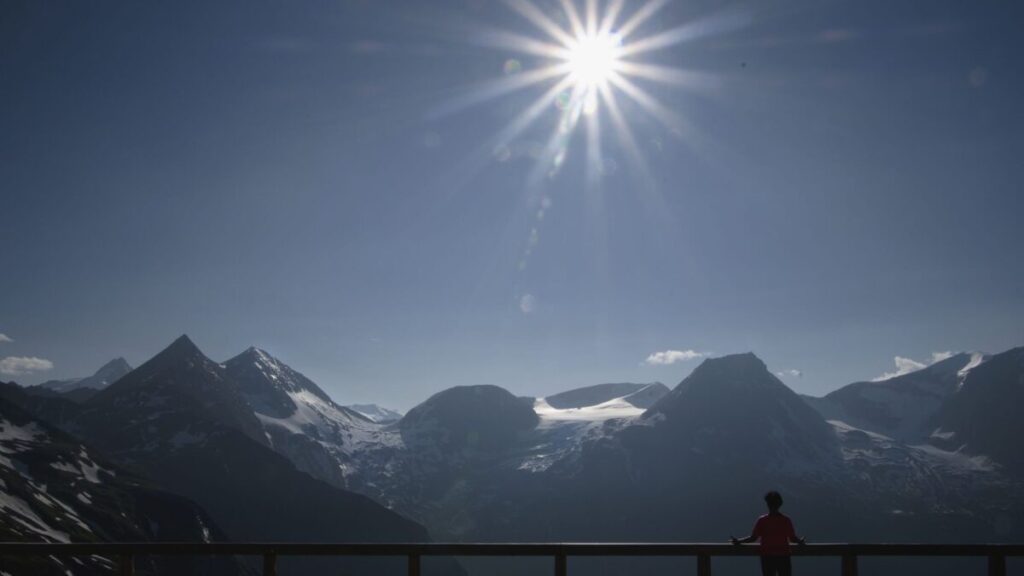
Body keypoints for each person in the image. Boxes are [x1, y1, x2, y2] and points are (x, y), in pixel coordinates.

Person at [731, 491, 806, 576]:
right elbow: (792, 538)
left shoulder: (762, 520)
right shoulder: (786, 520)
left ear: (768, 504)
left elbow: (753, 538)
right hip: (783, 556)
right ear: (779, 504)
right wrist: (800, 541)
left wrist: (739, 541)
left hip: (767, 557)